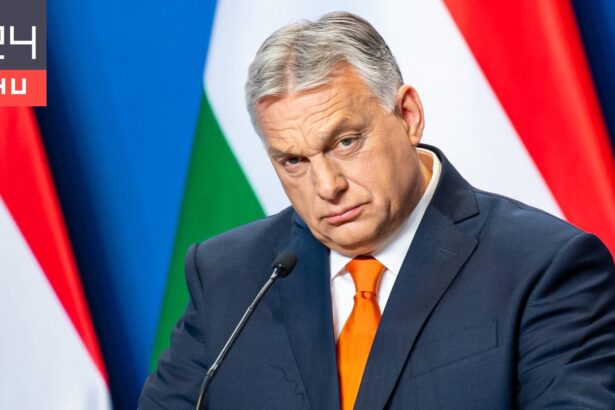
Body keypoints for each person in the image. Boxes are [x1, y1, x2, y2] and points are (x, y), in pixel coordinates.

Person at [139, 11, 615, 409]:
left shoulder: (543, 267)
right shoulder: (228, 277)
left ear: (408, 116)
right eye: (294, 161)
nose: (327, 186)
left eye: (346, 142)